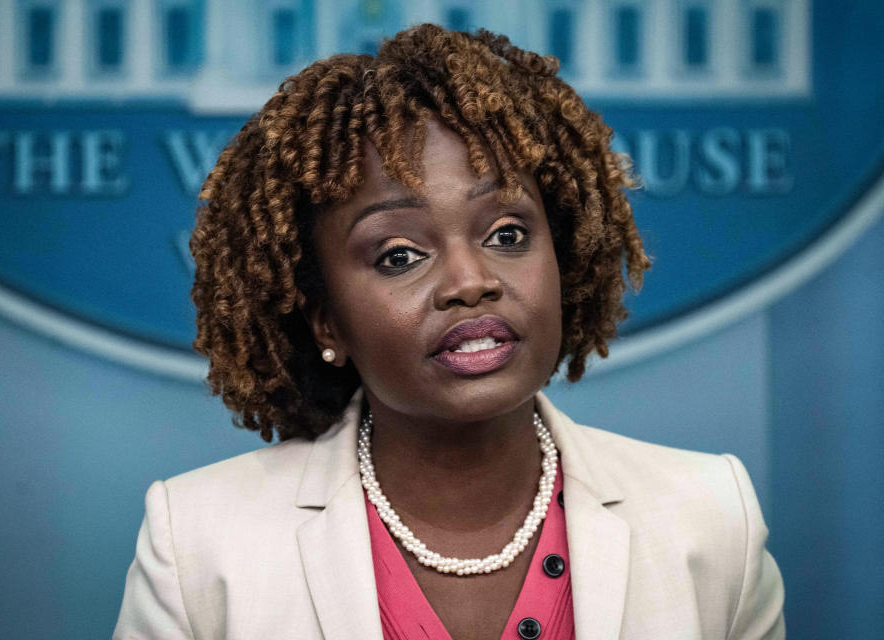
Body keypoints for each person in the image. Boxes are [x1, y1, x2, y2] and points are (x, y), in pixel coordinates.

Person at [114, 24, 784, 639]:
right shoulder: (199, 544)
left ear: (566, 258)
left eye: (508, 234)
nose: (470, 279)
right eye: (399, 254)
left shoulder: (711, 516)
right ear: (326, 320)